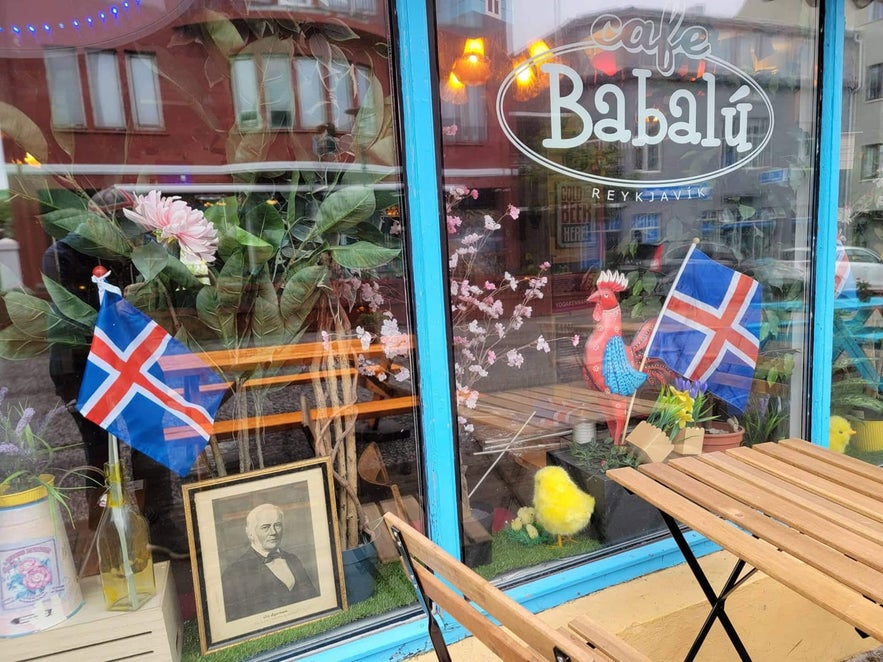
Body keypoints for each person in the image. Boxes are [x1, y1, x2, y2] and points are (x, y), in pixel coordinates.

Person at [222, 503, 319, 621]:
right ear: (250, 533)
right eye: (265, 527)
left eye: (277, 525)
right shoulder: (234, 573)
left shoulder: (293, 559)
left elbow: (313, 601)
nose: (273, 532)